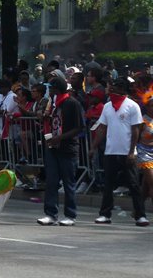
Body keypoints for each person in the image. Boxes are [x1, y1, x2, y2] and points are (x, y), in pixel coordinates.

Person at [92, 78, 148, 226]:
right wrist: (93, 146)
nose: (111, 90)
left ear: (122, 89)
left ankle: (140, 215)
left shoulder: (132, 106)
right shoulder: (107, 106)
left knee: (134, 184)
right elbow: (102, 128)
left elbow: (135, 129)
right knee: (108, 184)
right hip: (111, 151)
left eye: (114, 87)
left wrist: (131, 151)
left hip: (127, 152)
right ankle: (105, 214)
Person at [37, 74, 83, 226]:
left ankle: (70, 215)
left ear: (56, 89)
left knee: (68, 183)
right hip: (52, 147)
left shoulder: (71, 103)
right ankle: (51, 214)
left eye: (50, 88)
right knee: (51, 181)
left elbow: (79, 128)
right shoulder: (52, 103)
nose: (48, 90)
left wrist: (60, 137)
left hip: (67, 148)